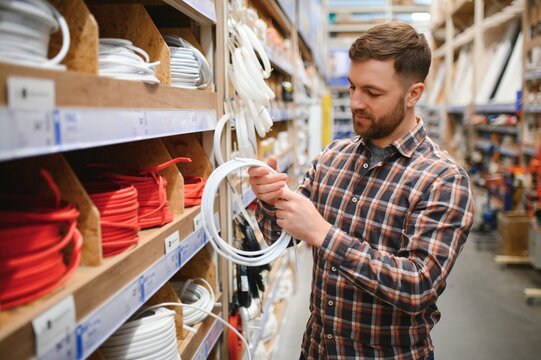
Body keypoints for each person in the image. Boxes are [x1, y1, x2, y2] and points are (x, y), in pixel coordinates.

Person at [248, 21, 475, 359]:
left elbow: (419, 286)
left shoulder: (442, 180)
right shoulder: (331, 159)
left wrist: (324, 234)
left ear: (414, 94)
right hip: (317, 351)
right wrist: (269, 202)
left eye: (372, 92)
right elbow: (279, 236)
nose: (355, 102)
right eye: (353, 87)